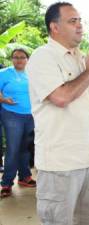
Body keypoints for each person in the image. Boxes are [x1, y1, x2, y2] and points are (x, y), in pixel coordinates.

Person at [26, 2, 89, 224]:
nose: (80, 26)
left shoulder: (82, 58)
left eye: (80, 20)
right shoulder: (42, 57)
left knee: (88, 220)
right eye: (72, 21)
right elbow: (61, 97)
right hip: (60, 164)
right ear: (54, 27)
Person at [0, 48, 35, 198]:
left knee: (25, 148)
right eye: (15, 57)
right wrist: (3, 99)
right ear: (12, 59)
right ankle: (6, 183)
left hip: (31, 116)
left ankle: (24, 177)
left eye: (22, 57)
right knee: (13, 149)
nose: (19, 60)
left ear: (27, 59)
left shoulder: (33, 73)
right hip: (11, 115)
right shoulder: (4, 73)